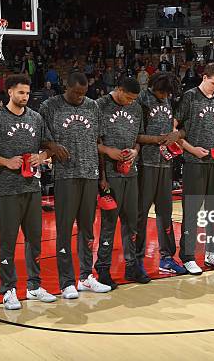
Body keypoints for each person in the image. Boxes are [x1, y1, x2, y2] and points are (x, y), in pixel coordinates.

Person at [0, 74, 61, 309]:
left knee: (35, 239)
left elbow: (50, 147)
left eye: (27, 93)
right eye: (20, 92)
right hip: (7, 190)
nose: (25, 97)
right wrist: (3, 161)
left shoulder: (36, 118)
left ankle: (34, 286)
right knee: (8, 241)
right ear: (9, 92)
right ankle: (8, 289)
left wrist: (41, 157)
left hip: (32, 187)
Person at [39, 72, 111, 299]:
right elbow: (40, 137)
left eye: (84, 93)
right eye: (76, 93)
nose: (80, 97)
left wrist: (102, 175)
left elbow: (99, 141)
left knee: (88, 229)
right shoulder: (49, 106)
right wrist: (52, 144)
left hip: (90, 173)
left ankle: (86, 277)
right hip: (66, 175)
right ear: (65, 87)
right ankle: (67, 282)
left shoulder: (92, 106)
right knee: (64, 229)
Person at [95, 77, 150, 288]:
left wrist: (135, 150)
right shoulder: (100, 105)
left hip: (131, 172)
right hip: (109, 174)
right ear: (118, 89)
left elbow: (138, 137)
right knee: (109, 225)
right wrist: (104, 169)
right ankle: (102, 268)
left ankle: (132, 266)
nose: (130, 102)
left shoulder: (136, 108)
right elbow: (93, 141)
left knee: (131, 223)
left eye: (133, 99)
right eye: (127, 97)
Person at [175, 62, 214, 274]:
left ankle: (212, 252)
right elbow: (174, 129)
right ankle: (187, 256)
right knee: (192, 211)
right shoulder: (189, 96)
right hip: (194, 162)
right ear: (204, 77)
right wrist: (191, 149)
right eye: (212, 83)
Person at [135, 72, 186, 275]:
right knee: (140, 214)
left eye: (168, 93)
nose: (165, 96)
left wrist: (175, 135)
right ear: (154, 86)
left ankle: (166, 258)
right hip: (145, 164)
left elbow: (177, 130)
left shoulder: (167, 101)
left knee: (165, 213)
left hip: (165, 163)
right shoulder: (141, 100)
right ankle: (136, 259)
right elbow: (135, 135)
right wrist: (156, 139)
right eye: (162, 92)